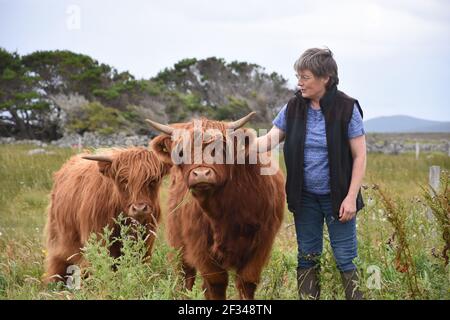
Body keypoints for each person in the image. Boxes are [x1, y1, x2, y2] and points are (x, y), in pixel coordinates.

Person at [256, 47, 366, 300]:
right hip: (304, 197)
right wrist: (237, 146)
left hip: (339, 198)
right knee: (307, 255)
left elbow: (360, 156)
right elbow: (271, 139)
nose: (299, 83)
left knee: (346, 257)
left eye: (304, 77)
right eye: (298, 76)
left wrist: (351, 197)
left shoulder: (347, 108)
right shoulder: (294, 107)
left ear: (325, 77)